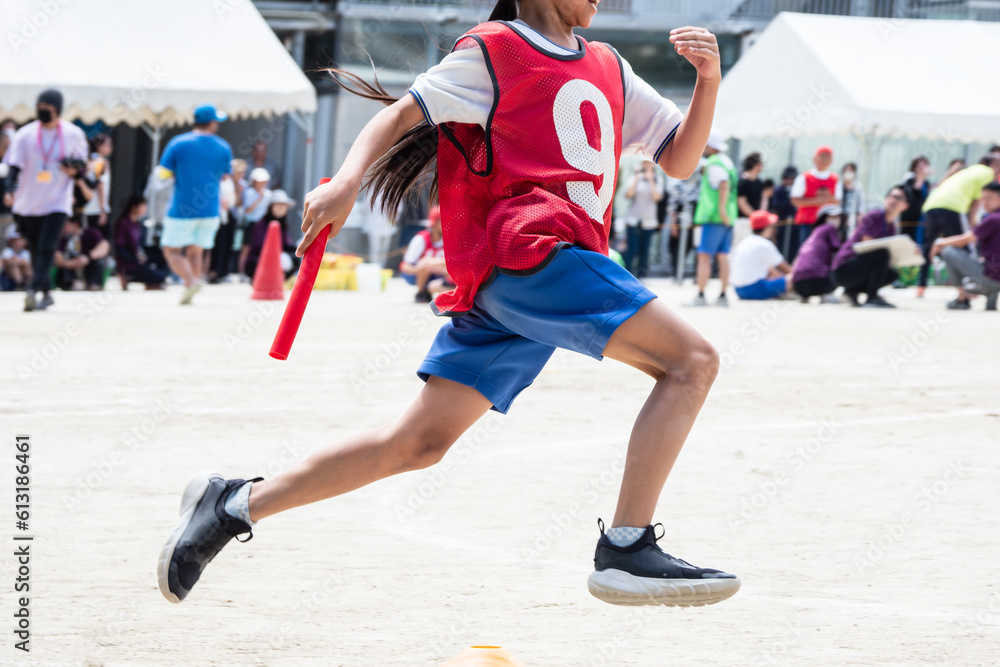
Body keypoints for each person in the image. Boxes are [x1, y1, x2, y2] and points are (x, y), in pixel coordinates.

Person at [158, 0, 740, 609]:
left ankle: (231, 503)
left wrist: (709, 81)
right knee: (691, 362)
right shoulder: (494, 50)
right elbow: (398, 117)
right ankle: (627, 546)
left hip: (514, 278)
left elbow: (679, 159)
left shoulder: (608, 65)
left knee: (418, 444)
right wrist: (346, 182)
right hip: (533, 250)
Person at [4, 89, 89, 311]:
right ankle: (47, 292)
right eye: (40, 107)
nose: (42, 111)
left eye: (47, 108)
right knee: (34, 247)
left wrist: (73, 169)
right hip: (28, 202)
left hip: (58, 201)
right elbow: (13, 167)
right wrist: (9, 190)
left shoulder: (73, 134)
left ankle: (32, 290)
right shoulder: (25, 134)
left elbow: (82, 168)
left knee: (47, 246)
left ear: (58, 110)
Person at [158, 104, 233, 305]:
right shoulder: (223, 147)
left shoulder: (178, 143)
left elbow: (162, 174)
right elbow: (226, 177)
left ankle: (191, 281)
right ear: (212, 123)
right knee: (196, 251)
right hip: (210, 209)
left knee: (171, 251)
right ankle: (190, 288)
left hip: (181, 208)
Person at [917, 154, 1000, 297]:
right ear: (991, 164)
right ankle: (966, 292)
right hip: (953, 206)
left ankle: (921, 286)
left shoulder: (969, 171)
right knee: (960, 248)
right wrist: (972, 223)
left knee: (928, 247)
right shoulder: (988, 173)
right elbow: (976, 201)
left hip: (931, 204)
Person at [832, 185, 910, 308]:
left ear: (905, 206)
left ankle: (852, 291)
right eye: (891, 196)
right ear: (885, 199)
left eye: (899, 198)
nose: (893, 200)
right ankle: (872, 298)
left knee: (892, 274)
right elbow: (867, 243)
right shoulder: (875, 216)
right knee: (882, 254)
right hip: (843, 269)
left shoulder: (892, 227)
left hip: (857, 268)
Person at [930, 181, 1000, 311]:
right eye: (983, 199)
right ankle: (990, 297)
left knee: (949, 251)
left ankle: (962, 297)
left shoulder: (994, 219)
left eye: (989, 198)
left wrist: (940, 242)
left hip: (990, 276)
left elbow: (965, 240)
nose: (985, 202)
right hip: (995, 273)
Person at [689, 132, 736, 306]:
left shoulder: (713, 163)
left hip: (714, 217)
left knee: (704, 256)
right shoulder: (727, 162)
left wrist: (721, 211)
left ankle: (701, 294)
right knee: (723, 256)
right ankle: (723, 295)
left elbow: (723, 185)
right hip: (727, 218)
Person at [789, 146, 841, 261]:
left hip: (827, 225)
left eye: (827, 157)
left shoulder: (835, 179)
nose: (824, 160)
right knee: (806, 253)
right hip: (807, 223)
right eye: (821, 157)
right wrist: (815, 202)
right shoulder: (804, 177)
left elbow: (838, 201)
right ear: (815, 158)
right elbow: (794, 200)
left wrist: (828, 198)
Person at [730, 210, 791, 300]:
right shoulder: (765, 244)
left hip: (738, 290)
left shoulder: (744, 242)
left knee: (771, 272)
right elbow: (787, 269)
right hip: (755, 289)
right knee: (793, 278)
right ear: (766, 227)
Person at [791, 204, 843, 303]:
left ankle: (806, 295)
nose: (835, 220)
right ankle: (827, 293)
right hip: (819, 283)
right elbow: (838, 251)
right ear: (823, 219)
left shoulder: (814, 234)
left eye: (837, 217)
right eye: (831, 217)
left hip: (798, 286)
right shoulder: (829, 228)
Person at [115, 195, 168, 290]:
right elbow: (119, 248)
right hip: (128, 264)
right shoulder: (123, 223)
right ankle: (125, 277)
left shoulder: (136, 223)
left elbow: (138, 245)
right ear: (134, 207)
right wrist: (135, 259)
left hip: (137, 259)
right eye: (143, 206)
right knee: (160, 277)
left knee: (161, 255)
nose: (145, 209)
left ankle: (150, 281)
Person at [243, 190, 299, 280]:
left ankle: (279, 280)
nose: (281, 208)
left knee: (295, 257)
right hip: (260, 260)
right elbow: (259, 245)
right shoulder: (261, 224)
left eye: (284, 206)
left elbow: (288, 244)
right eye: (278, 205)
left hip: (280, 258)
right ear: (271, 207)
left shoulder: (284, 225)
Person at [400, 205, 451, 303]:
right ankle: (421, 293)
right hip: (417, 274)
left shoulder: (451, 238)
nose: (448, 223)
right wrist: (421, 268)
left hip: (440, 272)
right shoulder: (421, 239)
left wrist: (434, 263)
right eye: (445, 220)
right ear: (435, 223)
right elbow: (404, 266)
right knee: (424, 264)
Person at [622, 160, 664, 277]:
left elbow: (657, 197)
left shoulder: (657, 180)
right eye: (644, 163)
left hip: (649, 221)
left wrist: (650, 180)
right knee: (632, 249)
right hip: (633, 220)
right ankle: (628, 273)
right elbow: (628, 195)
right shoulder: (634, 178)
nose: (646, 165)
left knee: (644, 250)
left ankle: (641, 274)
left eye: (649, 163)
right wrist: (636, 177)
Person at [53, 215, 110, 291]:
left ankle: (94, 283)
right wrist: (69, 263)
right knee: (63, 265)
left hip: (88, 262)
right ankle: (73, 282)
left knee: (100, 261)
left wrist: (88, 257)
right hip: (70, 265)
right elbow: (57, 255)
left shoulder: (91, 232)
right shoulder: (63, 237)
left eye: (66, 224)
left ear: (75, 224)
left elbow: (104, 246)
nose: (63, 227)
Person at [83, 133, 113, 238]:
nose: (111, 148)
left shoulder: (89, 161)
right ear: (99, 146)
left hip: (87, 207)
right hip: (96, 209)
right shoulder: (101, 162)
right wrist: (102, 210)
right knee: (103, 241)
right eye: (108, 144)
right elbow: (100, 185)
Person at [900, 155, 931, 245]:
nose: (922, 168)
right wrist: (922, 175)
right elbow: (915, 190)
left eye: (924, 165)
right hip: (910, 219)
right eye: (919, 166)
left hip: (921, 219)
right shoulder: (909, 179)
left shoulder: (926, 182)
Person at [770, 165, 798, 260]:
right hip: (782, 224)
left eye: (792, 178)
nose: (790, 181)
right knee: (780, 248)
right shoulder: (778, 190)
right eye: (788, 178)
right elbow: (776, 206)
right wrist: (789, 202)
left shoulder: (797, 191)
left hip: (794, 226)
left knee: (793, 250)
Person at [736, 152, 764, 218]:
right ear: (756, 165)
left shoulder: (759, 182)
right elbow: (741, 202)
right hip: (742, 220)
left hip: (756, 221)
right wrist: (754, 216)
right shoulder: (742, 180)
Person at [839, 162, 863, 236]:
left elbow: (861, 203)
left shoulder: (858, 186)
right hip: (841, 217)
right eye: (846, 170)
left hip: (853, 217)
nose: (848, 172)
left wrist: (860, 215)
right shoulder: (839, 186)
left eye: (851, 170)